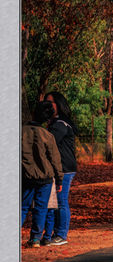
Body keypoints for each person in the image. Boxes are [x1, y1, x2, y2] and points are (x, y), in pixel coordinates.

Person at [22, 101, 62, 248]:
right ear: (48, 118)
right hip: (44, 178)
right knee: (41, 208)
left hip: (25, 176)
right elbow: (55, 159)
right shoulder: (47, 135)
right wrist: (59, 179)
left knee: (22, 207)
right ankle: (35, 239)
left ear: (34, 113)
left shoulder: (21, 131)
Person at [41, 90, 76, 246]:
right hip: (58, 168)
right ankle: (55, 233)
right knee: (55, 202)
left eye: (50, 102)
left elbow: (47, 142)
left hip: (64, 169)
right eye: (45, 102)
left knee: (61, 201)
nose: (47, 105)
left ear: (59, 105)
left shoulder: (61, 124)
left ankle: (61, 234)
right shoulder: (55, 122)